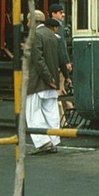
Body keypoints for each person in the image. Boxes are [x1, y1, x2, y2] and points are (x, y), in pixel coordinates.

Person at [26, 10, 67, 154]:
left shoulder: (35, 35)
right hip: (52, 82)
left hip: (38, 81)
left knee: (32, 112)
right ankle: (54, 139)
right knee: (51, 112)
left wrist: (48, 78)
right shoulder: (53, 35)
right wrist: (63, 77)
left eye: (28, 21)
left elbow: (38, 60)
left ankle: (44, 143)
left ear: (32, 21)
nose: (27, 24)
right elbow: (61, 57)